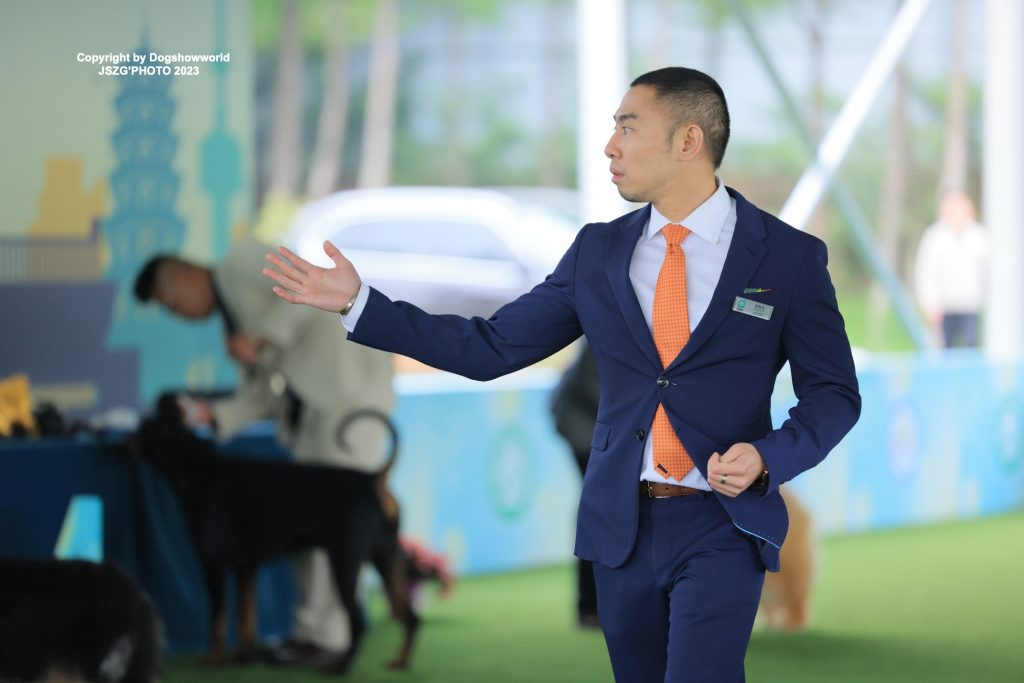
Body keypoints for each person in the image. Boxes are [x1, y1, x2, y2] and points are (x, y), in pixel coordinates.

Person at [263, 67, 861, 682]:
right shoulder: (596, 251)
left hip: (723, 525)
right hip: (621, 528)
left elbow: (835, 394)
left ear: (689, 141)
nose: (609, 146)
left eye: (628, 128)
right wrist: (360, 303)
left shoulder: (787, 257)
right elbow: (492, 347)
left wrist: (768, 456)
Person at [134, 238, 395, 665]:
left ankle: (330, 638)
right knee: (307, 525)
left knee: (337, 523)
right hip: (310, 415)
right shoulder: (233, 328)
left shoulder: (243, 260)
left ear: (182, 277)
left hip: (352, 396)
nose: (175, 312)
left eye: (168, 301)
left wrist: (262, 337)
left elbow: (308, 288)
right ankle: (312, 634)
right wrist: (209, 415)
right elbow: (259, 395)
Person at [549, 341, 601, 628]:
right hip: (585, 428)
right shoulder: (613, 325)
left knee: (599, 511)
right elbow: (595, 388)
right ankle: (590, 606)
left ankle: (592, 605)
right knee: (598, 512)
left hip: (591, 425)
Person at [913, 191, 988, 348]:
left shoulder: (979, 236)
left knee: (972, 347)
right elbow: (926, 273)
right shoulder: (934, 236)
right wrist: (929, 303)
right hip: (944, 307)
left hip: (972, 305)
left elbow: (987, 271)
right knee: (945, 349)